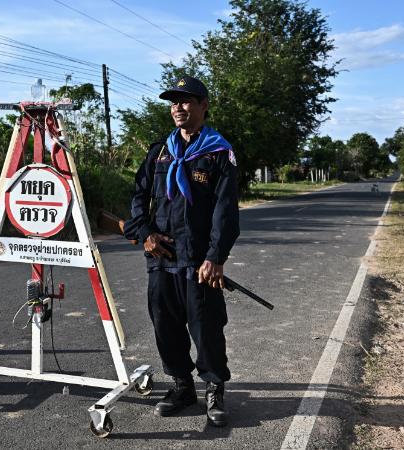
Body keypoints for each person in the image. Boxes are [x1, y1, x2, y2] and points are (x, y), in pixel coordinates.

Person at [123, 75, 239, 427]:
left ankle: (214, 388)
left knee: (205, 327)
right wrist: (145, 234)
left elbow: (225, 210)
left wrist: (216, 257)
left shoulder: (219, 152)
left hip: (199, 260)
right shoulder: (160, 151)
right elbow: (139, 197)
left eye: (186, 100)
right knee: (165, 324)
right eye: (173, 101)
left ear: (203, 106)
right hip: (161, 258)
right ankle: (181, 385)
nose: (178, 107)